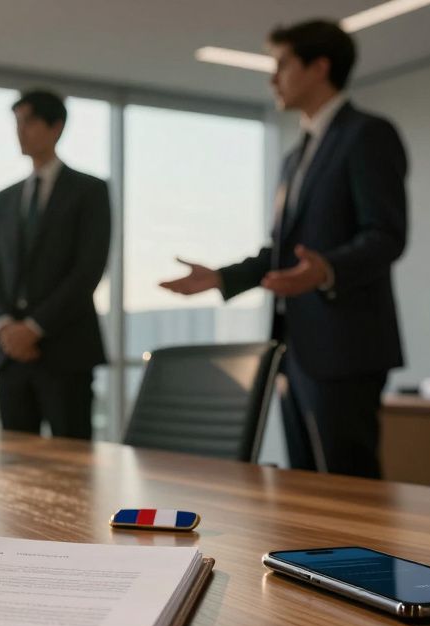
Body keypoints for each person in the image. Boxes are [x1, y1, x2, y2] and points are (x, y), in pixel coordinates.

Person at [160, 19, 408, 479]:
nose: (272, 78)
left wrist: (326, 270)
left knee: (349, 485)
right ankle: (310, 557)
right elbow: (282, 250)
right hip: (295, 347)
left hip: (346, 345)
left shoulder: (367, 134)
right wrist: (222, 277)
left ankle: (364, 557)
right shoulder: (297, 155)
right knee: (307, 483)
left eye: (282, 65)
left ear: (319, 67)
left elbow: (386, 235)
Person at [0, 90, 111, 440]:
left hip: (66, 352)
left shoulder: (90, 191)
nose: (20, 131)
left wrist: (34, 328)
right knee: (14, 470)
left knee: (74, 469)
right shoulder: (4, 199)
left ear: (56, 127)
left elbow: (88, 271)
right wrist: (6, 327)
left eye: (29, 122)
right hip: (11, 358)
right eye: (17, 123)